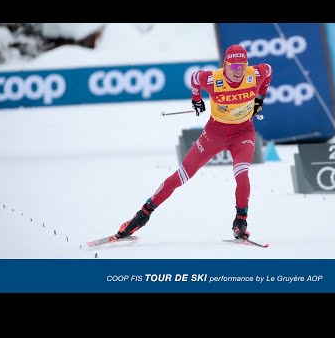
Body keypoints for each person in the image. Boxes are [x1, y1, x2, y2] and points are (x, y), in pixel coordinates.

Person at [116, 44, 273, 240]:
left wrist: (260, 97)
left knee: (242, 175)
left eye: (242, 65)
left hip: (243, 134)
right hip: (215, 133)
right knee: (181, 176)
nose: (239, 71)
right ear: (225, 66)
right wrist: (196, 99)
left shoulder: (255, 74)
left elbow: (269, 70)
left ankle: (240, 220)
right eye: (234, 66)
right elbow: (195, 78)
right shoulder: (213, 79)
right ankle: (142, 215)